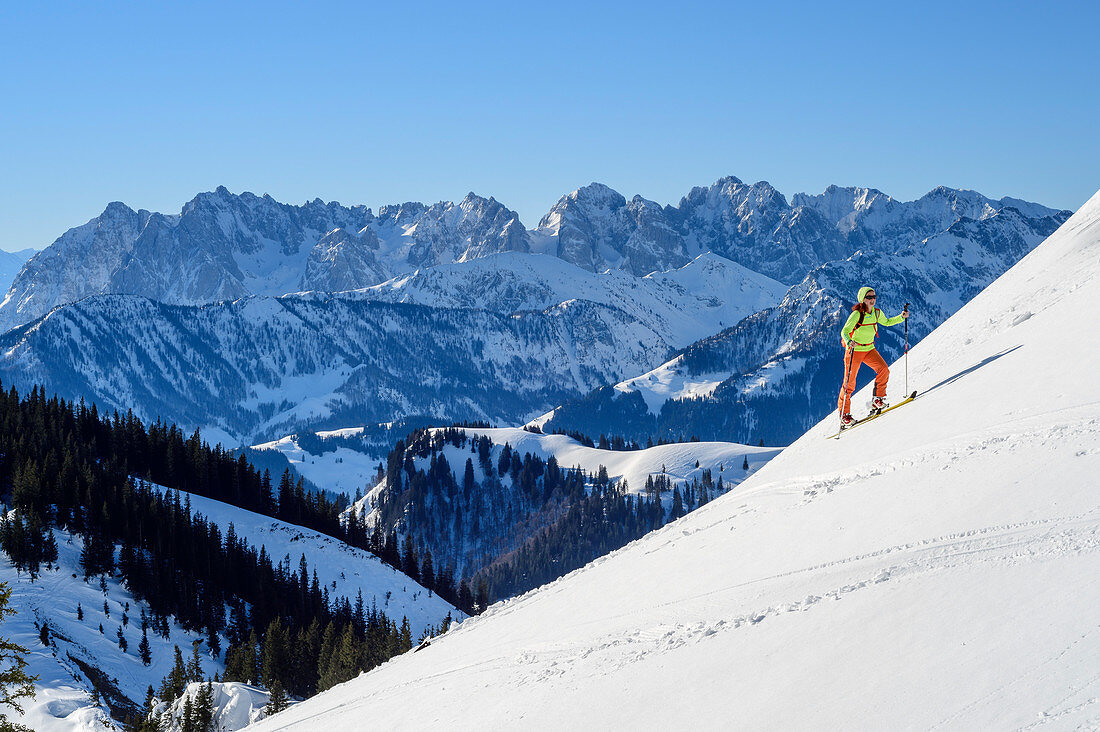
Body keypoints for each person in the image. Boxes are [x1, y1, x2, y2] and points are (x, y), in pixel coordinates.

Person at [837, 286, 909, 426]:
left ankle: (878, 400)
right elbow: (845, 331)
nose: (872, 299)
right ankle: (844, 415)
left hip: (869, 348)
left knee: (883, 369)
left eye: (874, 297)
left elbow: (887, 322)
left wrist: (901, 317)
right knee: (849, 383)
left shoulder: (876, 313)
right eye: (869, 297)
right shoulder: (857, 315)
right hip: (854, 351)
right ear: (863, 299)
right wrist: (849, 341)